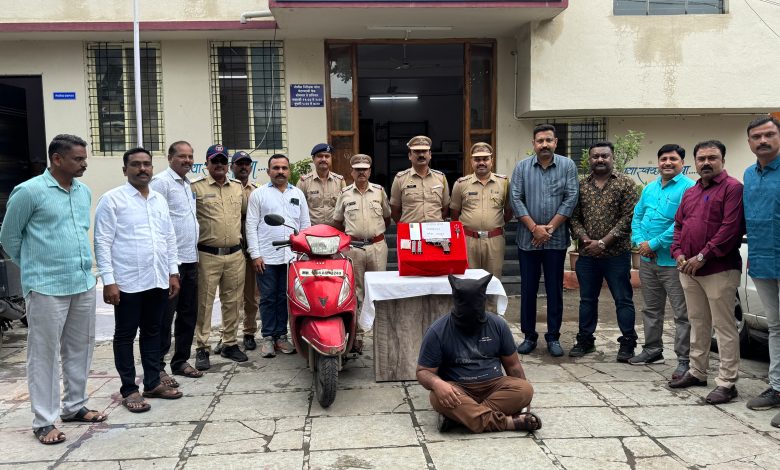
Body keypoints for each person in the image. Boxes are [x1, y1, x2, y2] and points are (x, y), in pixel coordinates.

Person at [0, 134, 105, 444]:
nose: (84, 164)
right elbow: (9, 237)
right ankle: (44, 421)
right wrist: (33, 266)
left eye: (85, 158)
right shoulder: (29, 192)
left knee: (80, 348)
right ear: (57, 159)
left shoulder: (83, 192)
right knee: (43, 354)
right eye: (78, 159)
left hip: (82, 282)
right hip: (46, 286)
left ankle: (74, 406)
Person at [94, 147, 183, 413]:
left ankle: (153, 382)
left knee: (153, 331)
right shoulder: (112, 199)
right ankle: (129, 389)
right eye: (136, 164)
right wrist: (109, 280)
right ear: (125, 170)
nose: (142, 169)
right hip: (127, 281)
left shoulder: (158, 199)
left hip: (157, 278)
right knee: (125, 334)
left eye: (146, 164)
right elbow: (102, 242)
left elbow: (168, 238)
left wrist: (173, 272)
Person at [669, 140, 744, 405]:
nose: (706, 163)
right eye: (701, 159)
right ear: (695, 162)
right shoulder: (691, 192)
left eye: (712, 158)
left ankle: (727, 382)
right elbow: (679, 226)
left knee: (724, 327)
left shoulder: (733, 188)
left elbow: (730, 229)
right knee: (698, 322)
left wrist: (702, 256)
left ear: (723, 160)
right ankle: (697, 372)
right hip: (688, 270)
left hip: (718, 269)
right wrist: (678, 253)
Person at [416, 274, 540, 434]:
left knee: (525, 389)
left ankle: (459, 418)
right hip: (458, 388)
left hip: (493, 385)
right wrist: (437, 383)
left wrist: (524, 402)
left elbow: (513, 366)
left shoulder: (498, 325)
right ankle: (508, 423)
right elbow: (423, 371)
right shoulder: (438, 330)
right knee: (436, 398)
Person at [509, 124, 579, 357]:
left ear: (556, 142)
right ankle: (529, 336)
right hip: (528, 240)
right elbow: (515, 199)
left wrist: (549, 228)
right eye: (540, 141)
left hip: (556, 240)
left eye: (549, 140)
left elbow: (571, 198)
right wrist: (534, 228)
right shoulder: (522, 167)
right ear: (534, 144)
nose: (544, 145)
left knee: (554, 290)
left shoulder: (568, 166)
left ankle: (553, 337)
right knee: (528, 289)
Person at [628, 144, 695, 380]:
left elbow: (682, 224)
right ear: (658, 162)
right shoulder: (650, 188)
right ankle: (652, 350)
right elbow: (637, 215)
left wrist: (654, 244)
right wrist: (640, 241)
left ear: (682, 163)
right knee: (651, 309)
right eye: (663, 159)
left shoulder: (689, 188)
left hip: (674, 262)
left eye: (673, 159)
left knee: (682, 314)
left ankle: (684, 360)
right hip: (648, 261)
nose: (667, 163)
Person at [569, 142, 639, 362]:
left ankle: (628, 343)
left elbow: (629, 217)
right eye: (595, 156)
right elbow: (574, 217)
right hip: (587, 255)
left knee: (623, 299)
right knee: (587, 300)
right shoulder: (580, 186)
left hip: (616, 255)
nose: (600, 159)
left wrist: (603, 242)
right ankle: (585, 341)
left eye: (604, 156)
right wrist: (586, 240)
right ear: (589, 159)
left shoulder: (626, 184)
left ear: (612, 158)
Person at [246, 154, 311, 358]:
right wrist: (255, 254)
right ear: (268, 171)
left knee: (285, 298)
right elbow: (251, 226)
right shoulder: (259, 194)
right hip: (266, 257)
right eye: (276, 168)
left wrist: (303, 253)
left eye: (284, 168)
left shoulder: (298, 194)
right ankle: (267, 337)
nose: (280, 171)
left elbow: (305, 225)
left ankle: (281, 336)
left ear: (289, 171)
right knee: (267, 298)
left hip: (292, 258)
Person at [191, 144, 248, 370]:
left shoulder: (238, 188)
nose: (219, 165)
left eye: (223, 161)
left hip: (235, 254)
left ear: (228, 165)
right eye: (214, 161)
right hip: (207, 255)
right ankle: (202, 347)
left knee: (233, 302)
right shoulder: (196, 188)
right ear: (207, 164)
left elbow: (245, 216)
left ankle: (230, 343)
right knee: (204, 303)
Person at [149, 141, 203, 383]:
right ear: (170, 157)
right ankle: (158, 367)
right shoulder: (161, 183)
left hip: (191, 259)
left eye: (190, 156)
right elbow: (155, 222)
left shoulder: (188, 184)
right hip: (171, 263)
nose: (187, 160)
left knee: (188, 314)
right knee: (164, 317)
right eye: (182, 156)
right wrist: (169, 265)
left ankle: (180, 361)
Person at [742, 116, 780, 427]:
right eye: (757, 137)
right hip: (762, 261)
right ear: (750, 142)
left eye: (769, 134)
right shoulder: (749, 174)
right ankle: (777, 387)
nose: (763, 141)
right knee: (775, 327)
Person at [333, 154, 391, 353]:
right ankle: (357, 336)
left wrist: (373, 235)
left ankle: (380, 334)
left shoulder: (379, 192)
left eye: (364, 169)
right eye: (357, 169)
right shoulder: (345, 194)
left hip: (377, 247)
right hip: (354, 249)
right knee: (356, 292)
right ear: (351, 172)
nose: (361, 172)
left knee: (379, 290)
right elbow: (338, 222)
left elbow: (387, 218)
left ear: (369, 171)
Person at [449, 142, 512, 281]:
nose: (481, 163)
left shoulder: (504, 183)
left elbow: (508, 211)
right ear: (471, 161)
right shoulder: (461, 184)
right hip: (468, 240)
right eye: (477, 159)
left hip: (494, 240)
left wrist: (494, 224)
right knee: (469, 281)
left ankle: (491, 299)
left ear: (492, 161)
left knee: (493, 280)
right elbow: (454, 213)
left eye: (485, 159)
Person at [230, 151, 260, 351]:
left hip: (250, 249)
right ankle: (228, 336)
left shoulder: (257, 191)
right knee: (230, 297)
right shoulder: (227, 188)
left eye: (246, 164)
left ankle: (249, 332)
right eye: (239, 163)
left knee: (250, 296)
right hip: (230, 249)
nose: (243, 167)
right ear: (232, 166)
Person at [390, 135, 450, 223]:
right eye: (417, 151)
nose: (421, 155)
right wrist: (406, 227)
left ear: (430, 155)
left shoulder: (441, 177)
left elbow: (445, 209)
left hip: (434, 230)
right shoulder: (400, 179)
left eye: (424, 151)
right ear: (410, 156)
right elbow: (395, 211)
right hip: (410, 229)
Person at [296, 143, 345, 226]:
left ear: (331, 158)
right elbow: (297, 208)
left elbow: (345, 207)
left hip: (335, 230)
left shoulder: (339, 181)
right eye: (320, 156)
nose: (323, 159)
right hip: (312, 230)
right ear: (313, 159)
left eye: (327, 156)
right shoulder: (304, 182)